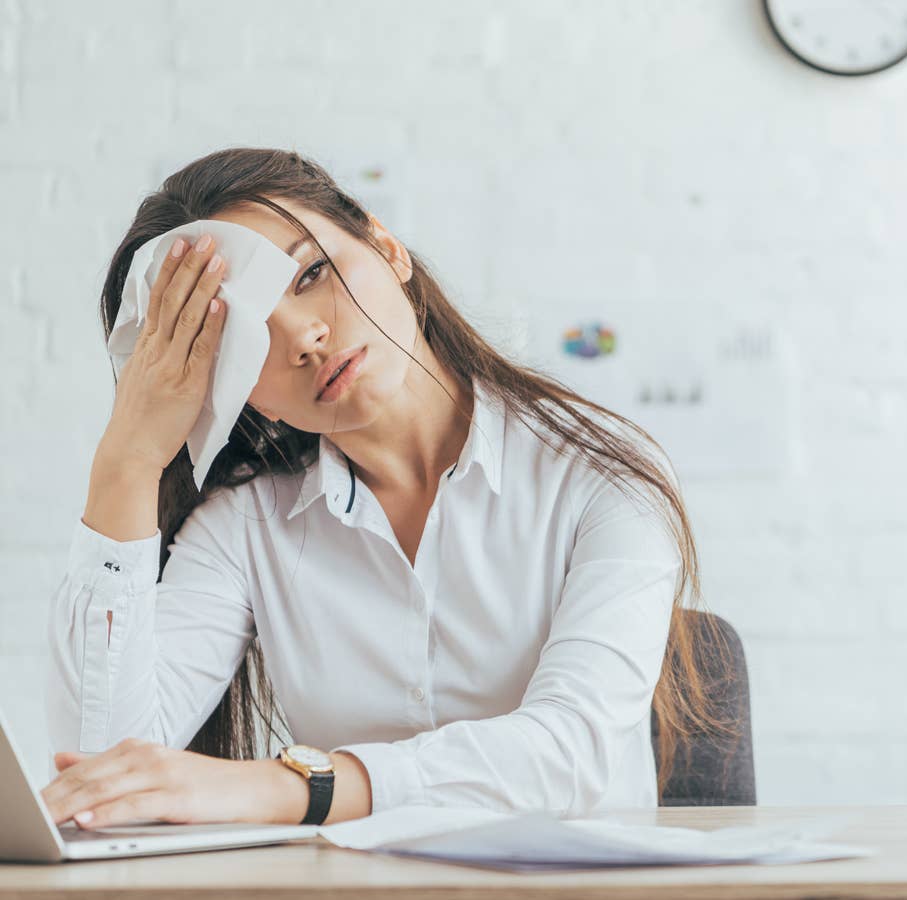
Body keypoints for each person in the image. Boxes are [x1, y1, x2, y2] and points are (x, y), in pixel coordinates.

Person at [39, 148, 734, 830]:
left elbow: (570, 755)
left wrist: (293, 789)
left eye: (311, 273)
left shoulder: (599, 472)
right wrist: (128, 460)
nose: (305, 337)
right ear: (240, 394)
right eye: (246, 339)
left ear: (388, 249)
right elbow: (99, 780)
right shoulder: (243, 529)